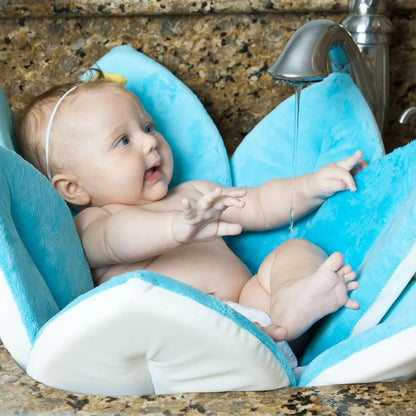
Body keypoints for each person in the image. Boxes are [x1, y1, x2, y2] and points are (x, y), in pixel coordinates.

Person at [15, 72, 364, 343]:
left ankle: (292, 304)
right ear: (73, 188)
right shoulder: (94, 223)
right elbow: (117, 240)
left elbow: (257, 203)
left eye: (148, 127)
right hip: (181, 336)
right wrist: (174, 229)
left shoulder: (195, 194)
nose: (150, 140)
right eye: (123, 140)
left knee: (294, 251)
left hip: (254, 314)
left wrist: (310, 186)